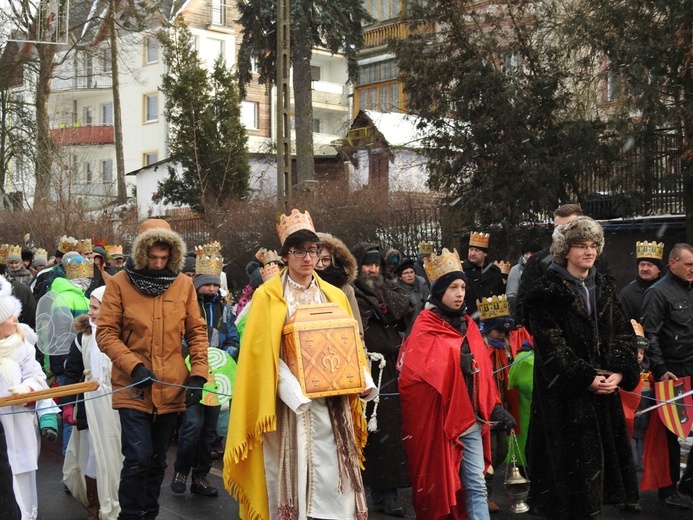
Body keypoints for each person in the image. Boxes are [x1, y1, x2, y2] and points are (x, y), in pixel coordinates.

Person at [223, 209, 376, 520]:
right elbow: (263, 356)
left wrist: (363, 379)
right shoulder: (268, 296)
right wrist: (294, 392)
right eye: (299, 251)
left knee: (334, 472)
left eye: (313, 250)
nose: (308, 258)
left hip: (333, 401)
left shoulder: (333, 295)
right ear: (285, 256)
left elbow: (350, 345)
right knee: (296, 467)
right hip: (291, 405)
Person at [524, 216, 640, 518]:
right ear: (565, 250)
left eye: (593, 246)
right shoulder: (545, 291)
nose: (589, 252)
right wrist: (586, 378)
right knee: (567, 486)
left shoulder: (604, 284)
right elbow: (551, 346)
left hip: (604, 393)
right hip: (563, 397)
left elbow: (623, 333)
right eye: (581, 246)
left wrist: (619, 371)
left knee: (597, 484)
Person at [97, 218, 209, 520]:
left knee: (158, 461)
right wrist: (133, 367)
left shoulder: (183, 284)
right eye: (152, 257)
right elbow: (106, 332)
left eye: (164, 258)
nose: (158, 264)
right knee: (137, 458)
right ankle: (129, 515)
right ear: (141, 252)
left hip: (171, 386)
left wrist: (199, 374)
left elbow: (197, 332)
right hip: (133, 386)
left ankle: (150, 514)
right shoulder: (119, 283)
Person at [398, 248, 512, 520]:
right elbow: (413, 377)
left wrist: (494, 408)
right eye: (452, 287)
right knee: (441, 487)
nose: (460, 293)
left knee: (474, 483)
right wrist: (453, 363)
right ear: (438, 291)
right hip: (440, 422)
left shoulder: (470, 326)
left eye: (462, 286)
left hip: (471, 420)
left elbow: (483, 374)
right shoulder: (424, 326)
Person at [171, 241, 237, 497]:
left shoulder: (226, 310)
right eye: (206, 284)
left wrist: (223, 355)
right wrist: (195, 355)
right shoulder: (187, 307)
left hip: (218, 379)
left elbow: (233, 339)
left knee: (209, 431)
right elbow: (179, 337)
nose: (211, 288)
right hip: (193, 376)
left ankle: (201, 476)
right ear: (197, 284)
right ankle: (181, 471)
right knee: (191, 427)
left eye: (214, 284)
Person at [352, 243, 412, 517]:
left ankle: (386, 494)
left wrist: (383, 298)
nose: (373, 269)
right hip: (363, 366)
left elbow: (403, 310)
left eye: (376, 264)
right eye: (367, 264)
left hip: (389, 368)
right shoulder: (349, 289)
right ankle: (360, 492)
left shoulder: (387, 286)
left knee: (388, 432)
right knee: (363, 431)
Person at [61, 285, 123, 520]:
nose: (91, 312)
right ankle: (94, 507)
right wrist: (68, 403)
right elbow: (72, 372)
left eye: (96, 308)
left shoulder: (123, 333)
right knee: (93, 455)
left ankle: (117, 499)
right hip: (90, 404)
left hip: (118, 404)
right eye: (90, 307)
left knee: (117, 454)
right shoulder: (84, 337)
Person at [0, 275, 57, 520]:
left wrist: (27, 390)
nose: (15, 318)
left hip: (18, 424)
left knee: (19, 483)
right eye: (10, 315)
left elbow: (36, 375)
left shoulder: (22, 343)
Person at [641, 242, 693, 508]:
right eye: (689, 265)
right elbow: (650, 334)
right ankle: (668, 487)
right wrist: (660, 369)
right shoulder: (658, 293)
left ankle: (689, 481)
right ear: (673, 263)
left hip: (691, 367)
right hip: (672, 372)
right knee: (670, 434)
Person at [477, 295, 515, 513]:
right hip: (484, 409)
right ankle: (484, 495)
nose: (502, 335)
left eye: (505, 332)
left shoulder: (504, 350)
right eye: (498, 331)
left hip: (501, 408)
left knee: (501, 451)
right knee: (487, 452)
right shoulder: (481, 348)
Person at [315, 232, 364, 335]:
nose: (320, 265)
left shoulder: (345, 288)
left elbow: (356, 327)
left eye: (325, 259)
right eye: (316, 259)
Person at [619, 241, 665, 321]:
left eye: (650, 265)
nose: (645, 269)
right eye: (642, 265)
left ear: (659, 269)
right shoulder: (627, 294)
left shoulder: (668, 290)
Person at [463, 232, 505, 318]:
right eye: (471, 249)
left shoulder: (494, 271)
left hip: (491, 320)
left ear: (485, 253)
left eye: (477, 250)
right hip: (469, 319)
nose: (472, 253)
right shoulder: (462, 270)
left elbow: (500, 296)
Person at [506, 241, 541, 319]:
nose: (528, 256)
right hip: (521, 312)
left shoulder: (542, 269)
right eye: (526, 253)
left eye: (532, 253)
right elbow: (511, 295)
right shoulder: (516, 270)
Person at [395, 258, 430, 330]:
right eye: (406, 273)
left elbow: (429, 302)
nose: (410, 275)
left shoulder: (421, 285)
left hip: (422, 324)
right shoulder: (395, 289)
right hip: (404, 327)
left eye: (412, 272)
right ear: (400, 277)